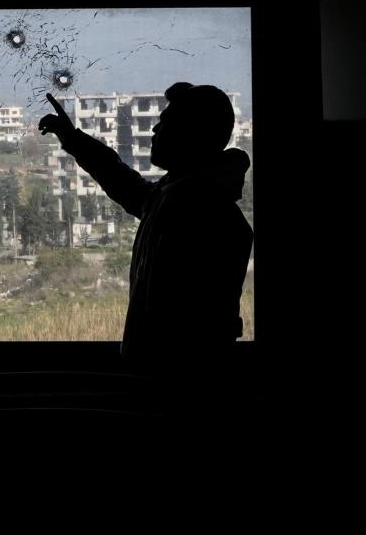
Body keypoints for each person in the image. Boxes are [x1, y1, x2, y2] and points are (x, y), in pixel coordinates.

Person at [39, 82, 253, 416]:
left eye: (166, 122)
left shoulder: (202, 212)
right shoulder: (180, 199)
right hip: (166, 385)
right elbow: (125, 182)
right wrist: (73, 138)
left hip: (178, 394)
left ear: (191, 135)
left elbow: (195, 333)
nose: (155, 128)